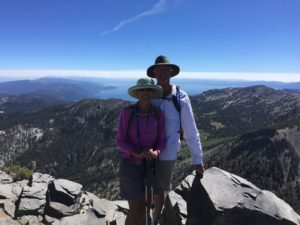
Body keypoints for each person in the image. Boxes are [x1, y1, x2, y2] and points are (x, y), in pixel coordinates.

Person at [147, 55, 205, 222]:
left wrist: (197, 158)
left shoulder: (181, 97)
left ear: (171, 72)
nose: (163, 73)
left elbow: (191, 130)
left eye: (166, 69)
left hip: (168, 152)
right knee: (147, 188)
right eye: (159, 69)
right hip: (147, 151)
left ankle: (155, 219)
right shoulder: (149, 94)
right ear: (155, 72)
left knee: (162, 189)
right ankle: (145, 215)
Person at [116, 77, 167, 225]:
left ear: (152, 93)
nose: (145, 93)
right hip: (130, 165)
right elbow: (120, 141)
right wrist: (134, 152)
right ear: (137, 93)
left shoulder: (158, 114)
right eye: (142, 90)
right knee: (136, 209)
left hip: (150, 166)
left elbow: (162, 140)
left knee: (146, 206)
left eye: (148, 90)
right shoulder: (127, 113)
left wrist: (156, 152)